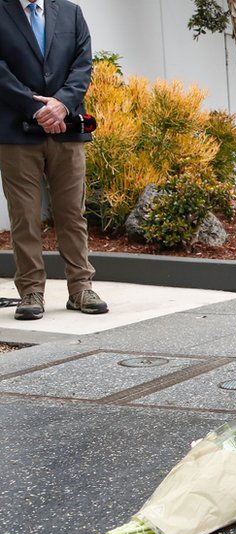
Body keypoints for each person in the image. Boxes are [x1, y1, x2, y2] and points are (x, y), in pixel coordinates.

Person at [0, 0, 107, 320]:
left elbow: (82, 64)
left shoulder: (71, 13)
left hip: (67, 130)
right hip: (16, 134)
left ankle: (81, 287)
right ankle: (31, 291)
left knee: (72, 213)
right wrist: (36, 109)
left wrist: (61, 105)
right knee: (25, 216)